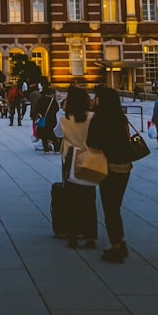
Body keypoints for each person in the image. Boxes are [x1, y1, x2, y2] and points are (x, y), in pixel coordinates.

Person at [88, 86, 135, 262]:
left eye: (97, 97)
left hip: (109, 166)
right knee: (116, 206)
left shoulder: (99, 119)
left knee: (110, 208)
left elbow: (92, 142)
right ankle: (120, 241)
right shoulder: (121, 117)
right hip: (125, 166)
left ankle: (116, 245)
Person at [57, 86, 98, 249]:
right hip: (89, 158)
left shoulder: (65, 119)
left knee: (71, 199)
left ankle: (72, 235)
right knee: (89, 198)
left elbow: (58, 134)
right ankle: (90, 236)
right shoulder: (92, 117)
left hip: (70, 159)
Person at [32, 87, 61, 153]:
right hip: (51, 119)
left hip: (42, 119)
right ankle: (56, 148)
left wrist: (34, 118)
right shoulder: (52, 101)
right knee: (52, 133)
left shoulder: (40, 100)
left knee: (43, 134)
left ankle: (46, 149)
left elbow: (36, 110)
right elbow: (57, 109)